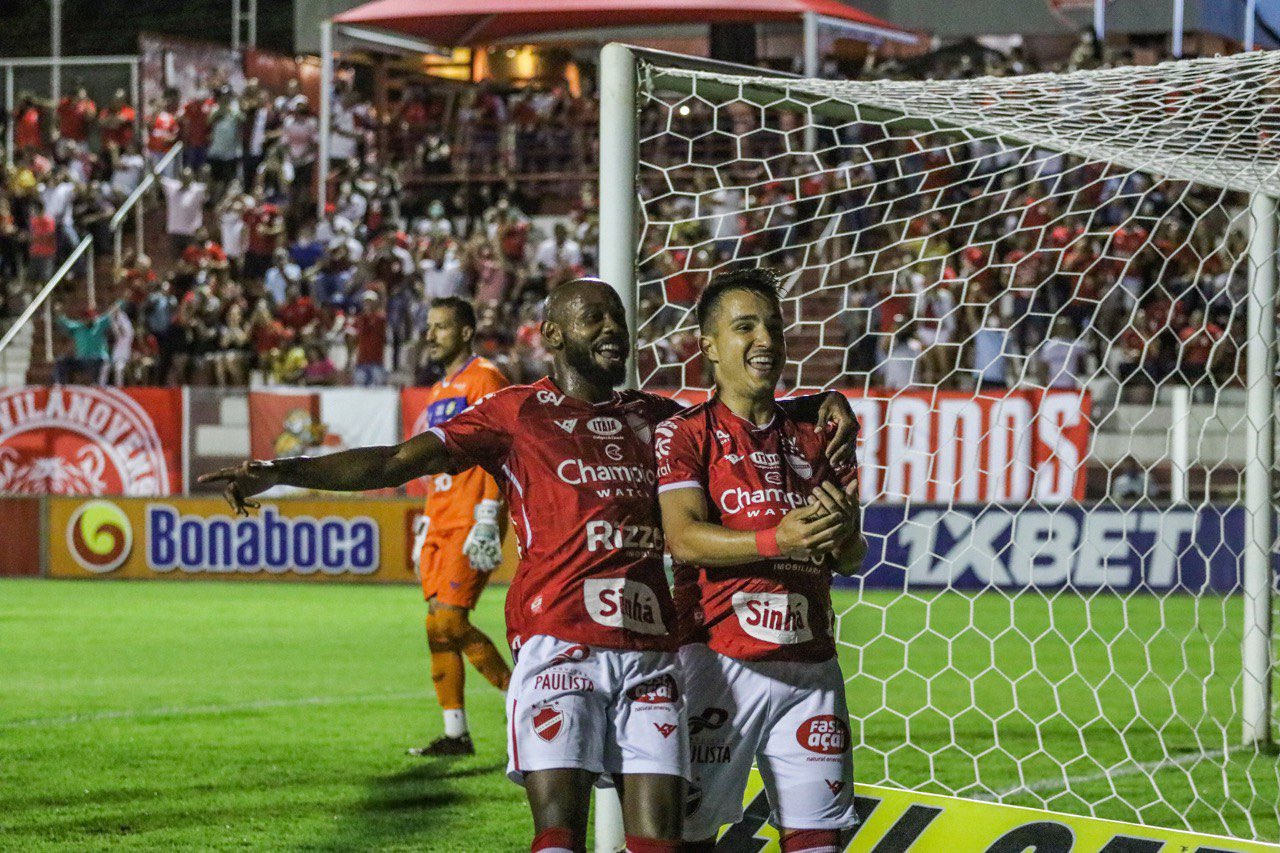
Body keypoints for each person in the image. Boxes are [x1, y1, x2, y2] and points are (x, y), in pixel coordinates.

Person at [200, 278, 859, 852]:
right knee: (558, 837)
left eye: (619, 321)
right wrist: (276, 472)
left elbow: (738, 413)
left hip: (650, 653)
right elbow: (396, 461)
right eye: (592, 318)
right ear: (552, 334)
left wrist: (816, 403)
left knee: (662, 843)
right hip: (559, 642)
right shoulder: (513, 413)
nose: (612, 330)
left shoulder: (653, 418)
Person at [655, 267, 865, 852]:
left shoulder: (823, 432)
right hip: (718, 662)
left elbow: (851, 556)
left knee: (818, 840)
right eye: (745, 327)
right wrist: (779, 540)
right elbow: (683, 538)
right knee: (690, 838)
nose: (766, 340)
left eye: (773, 326)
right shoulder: (685, 434)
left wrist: (843, 535)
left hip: (812, 667)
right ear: (710, 347)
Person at [407, 296, 513, 757]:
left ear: (466, 332)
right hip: (442, 517)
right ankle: (456, 734)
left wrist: (489, 516)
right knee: (436, 626)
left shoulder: (485, 378)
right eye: (429, 327)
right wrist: (427, 517)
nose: (430, 335)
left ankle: (523, 701)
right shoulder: (438, 390)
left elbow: (502, 445)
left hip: (472, 517)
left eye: (441, 327)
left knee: (451, 619)